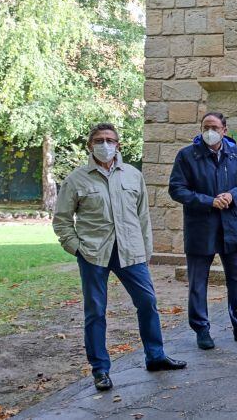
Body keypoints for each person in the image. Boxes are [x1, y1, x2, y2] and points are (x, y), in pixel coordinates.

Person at [52, 123, 187, 391]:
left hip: (131, 252)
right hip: (93, 253)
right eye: (99, 140)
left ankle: (156, 356)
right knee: (96, 312)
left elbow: (143, 217)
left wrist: (146, 250)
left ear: (119, 145)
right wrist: (76, 247)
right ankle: (100, 370)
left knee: (147, 302)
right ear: (90, 146)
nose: (105, 144)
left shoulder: (133, 176)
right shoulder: (76, 179)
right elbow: (62, 220)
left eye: (110, 140)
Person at [168, 112, 237, 349]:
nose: (209, 131)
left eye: (214, 127)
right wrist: (208, 201)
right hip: (200, 227)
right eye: (205, 127)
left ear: (225, 129)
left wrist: (232, 196)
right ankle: (201, 329)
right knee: (198, 281)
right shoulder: (187, 155)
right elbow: (176, 189)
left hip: (232, 225)